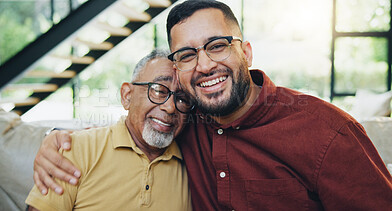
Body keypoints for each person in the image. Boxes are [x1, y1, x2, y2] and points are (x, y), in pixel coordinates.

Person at [33, 1, 392, 210]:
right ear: (178, 68)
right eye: (187, 54)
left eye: (217, 45)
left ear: (246, 52)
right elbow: (139, 125)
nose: (204, 65)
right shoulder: (189, 122)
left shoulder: (326, 132)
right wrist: (56, 139)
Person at [25, 50, 193, 210]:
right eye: (158, 90)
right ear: (127, 96)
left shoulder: (193, 164)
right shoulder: (76, 149)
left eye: (182, 98)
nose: (170, 107)